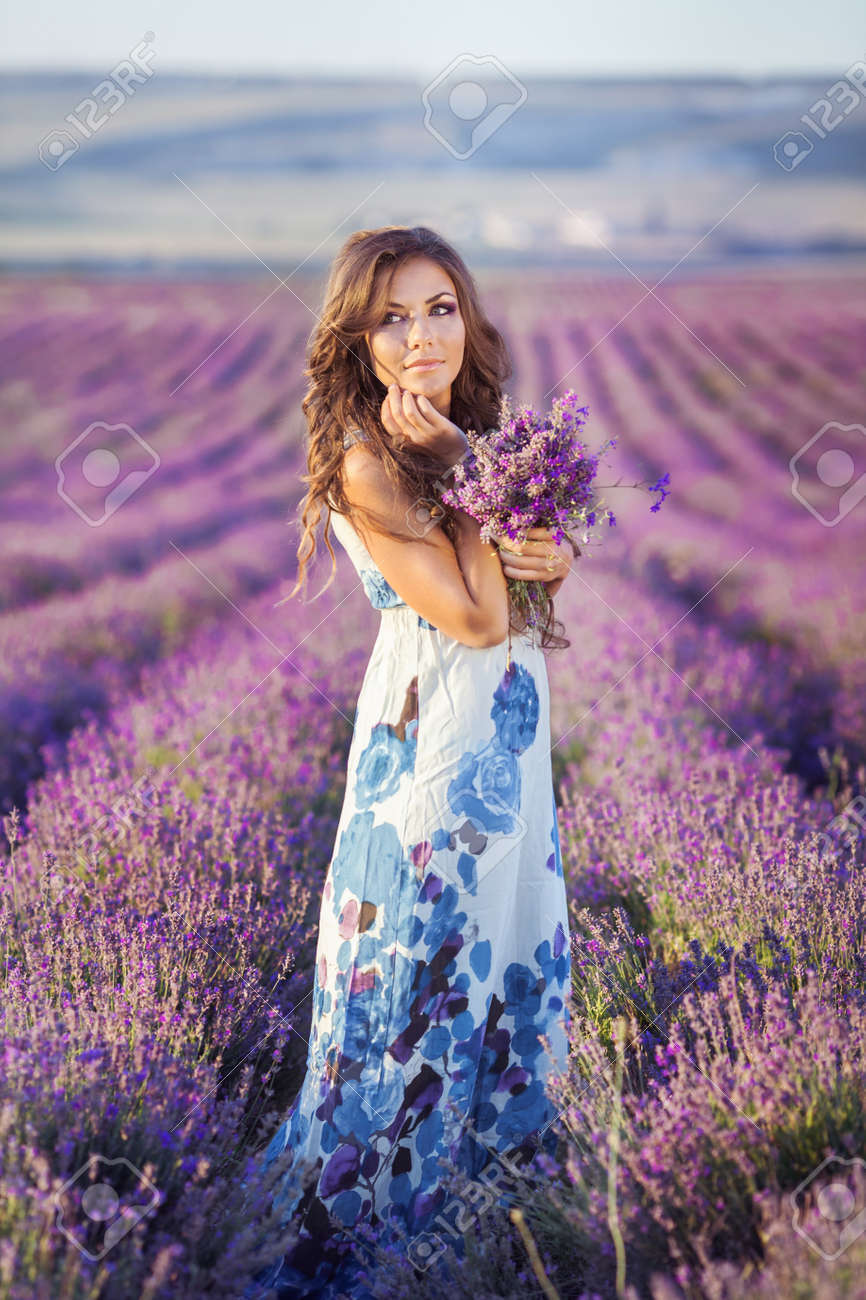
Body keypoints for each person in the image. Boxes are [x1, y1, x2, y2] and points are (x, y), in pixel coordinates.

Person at [245, 226, 575, 1298]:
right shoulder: (367, 461)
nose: (420, 333)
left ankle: (493, 1222)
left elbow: (514, 592)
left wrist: (550, 555)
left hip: (508, 750)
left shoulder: (470, 437)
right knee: (421, 977)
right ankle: (385, 1234)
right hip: (430, 758)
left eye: (438, 307)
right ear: (358, 338)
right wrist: (473, 481)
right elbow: (476, 618)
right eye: (391, 316)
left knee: (497, 954)